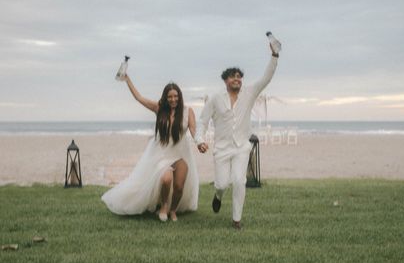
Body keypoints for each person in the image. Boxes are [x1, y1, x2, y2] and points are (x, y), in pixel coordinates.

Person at [196, 38, 280, 229]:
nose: (237, 79)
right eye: (233, 77)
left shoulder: (249, 93)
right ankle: (218, 196)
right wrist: (199, 140)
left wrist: (274, 56)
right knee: (222, 184)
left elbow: (266, 78)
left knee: (239, 181)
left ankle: (236, 220)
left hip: (242, 147)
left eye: (239, 77)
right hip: (222, 149)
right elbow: (202, 121)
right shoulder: (216, 98)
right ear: (225, 80)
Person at [101, 76, 199, 222]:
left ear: (180, 97)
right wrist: (127, 80)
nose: (173, 99)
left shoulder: (187, 111)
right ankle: (164, 206)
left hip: (180, 155)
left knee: (179, 186)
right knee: (166, 180)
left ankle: (173, 210)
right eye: (170, 97)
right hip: (162, 155)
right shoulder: (159, 108)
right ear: (166, 98)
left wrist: (200, 143)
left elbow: (194, 131)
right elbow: (139, 98)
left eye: (176, 96)